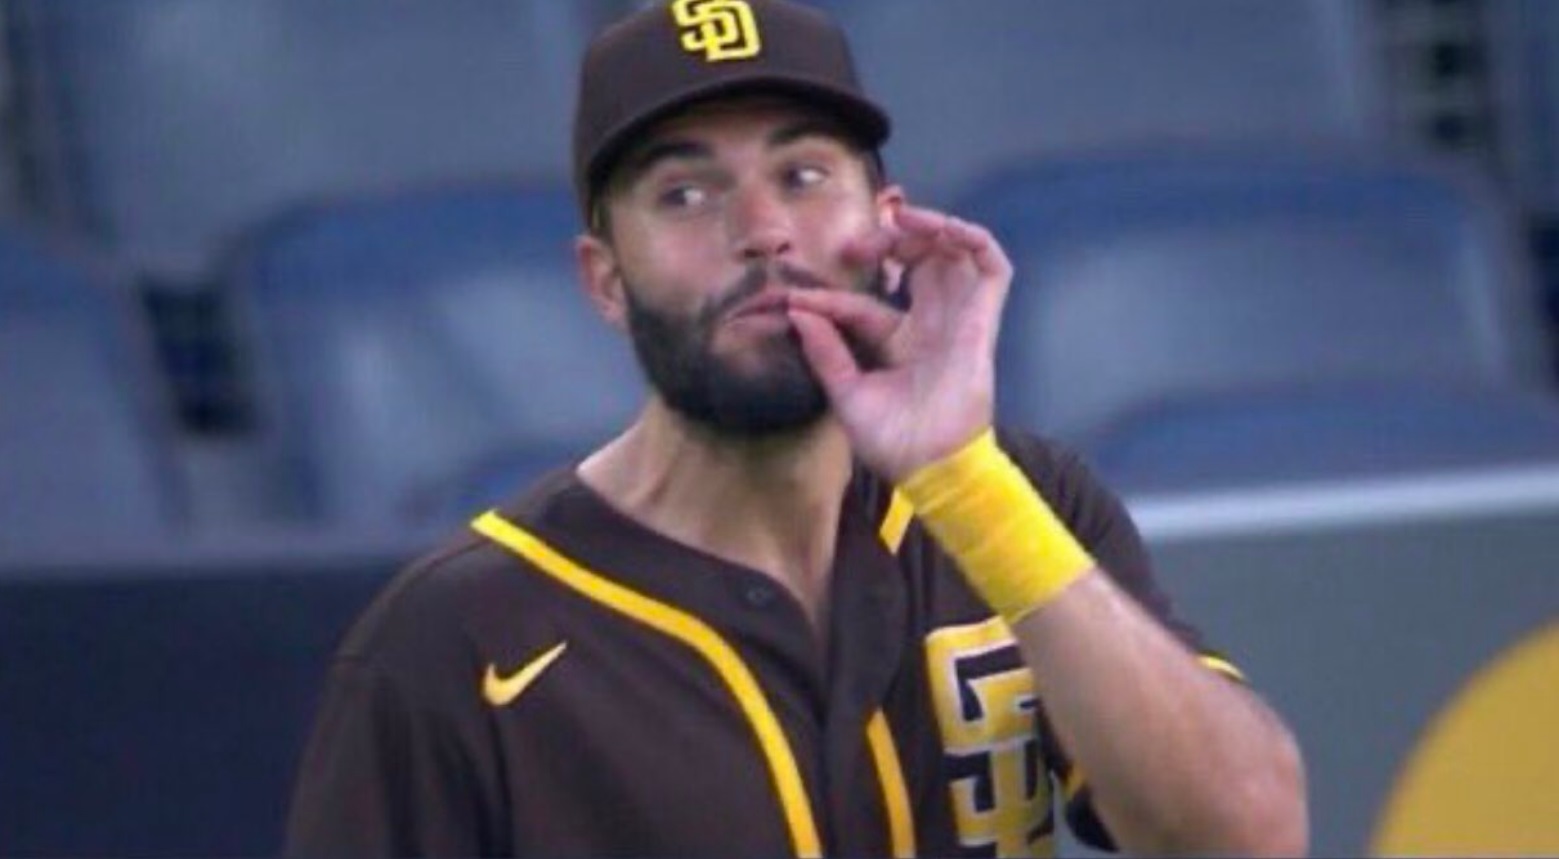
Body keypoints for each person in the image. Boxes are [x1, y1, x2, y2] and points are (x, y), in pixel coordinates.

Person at [284, 0, 1308, 855]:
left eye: (804, 175)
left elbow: (1247, 836)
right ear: (605, 279)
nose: (762, 231)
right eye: (685, 193)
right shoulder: (456, 639)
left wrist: (963, 484)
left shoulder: (1021, 505)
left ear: (888, 224)